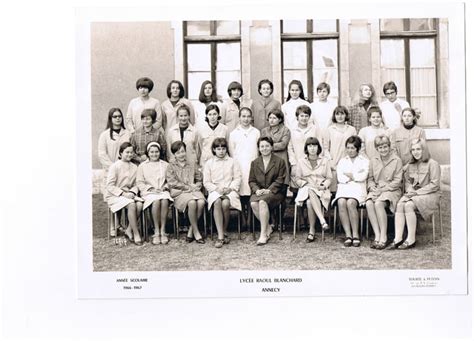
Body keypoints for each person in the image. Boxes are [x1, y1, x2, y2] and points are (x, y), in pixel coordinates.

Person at [388, 139, 441, 250]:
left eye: (418, 149)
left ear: (424, 150)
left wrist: (416, 193)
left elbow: (434, 185)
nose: (415, 152)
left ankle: (411, 239)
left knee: (408, 205)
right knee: (400, 204)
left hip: (430, 194)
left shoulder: (433, 164)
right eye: (413, 150)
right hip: (414, 193)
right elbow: (407, 180)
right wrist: (410, 188)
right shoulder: (410, 165)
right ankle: (398, 239)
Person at [365, 135, 403, 250]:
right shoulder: (373, 160)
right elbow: (370, 179)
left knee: (378, 203)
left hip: (392, 190)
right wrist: (372, 188)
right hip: (377, 189)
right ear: (377, 148)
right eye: (380, 147)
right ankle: (377, 234)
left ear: (389, 146)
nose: (383, 149)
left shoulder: (397, 160)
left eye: (385, 147)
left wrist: (383, 189)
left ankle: (384, 236)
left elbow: (397, 181)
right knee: (369, 203)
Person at [203, 138, 242, 248]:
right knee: (217, 202)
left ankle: (224, 231)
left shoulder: (232, 161)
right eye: (218, 149)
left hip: (229, 190)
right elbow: (206, 181)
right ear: (214, 150)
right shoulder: (209, 163)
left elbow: (237, 178)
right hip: (215, 191)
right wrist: (216, 188)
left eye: (223, 148)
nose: (221, 151)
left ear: (226, 149)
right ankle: (220, 236)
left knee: (225, 204)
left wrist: (230, 188)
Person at [249, 137, 287, 245]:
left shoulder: (280, 161)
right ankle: (269, 226)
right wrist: (256, 190)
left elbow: (280, 179)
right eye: (262, 146)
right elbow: (251, 181)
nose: (264, 148)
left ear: (271, 147)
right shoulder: (255, 163)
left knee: (262, 202)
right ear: (259, 148)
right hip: (260, 192)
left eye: (267, 146)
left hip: (275, 192)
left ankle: (263, 235)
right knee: (253, 203)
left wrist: (269, 190)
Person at [332, 135, 370, 247]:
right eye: (348, 147)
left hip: (358, 189)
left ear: (358, 149)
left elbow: (363, 176)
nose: (350, 150)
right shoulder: (342, 161)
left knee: (351, 203)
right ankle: (348, 235)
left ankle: (355, 234)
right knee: (341, 202)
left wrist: (352, 176)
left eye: (353, 148)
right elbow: (340, 178)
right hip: (344, 188)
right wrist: (354, 176)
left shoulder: (364, 161)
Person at [166, 141, 206, 244]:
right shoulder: (171, 166)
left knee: (201, 202)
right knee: (192, 203)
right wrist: (186, 187)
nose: (181, 154)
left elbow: (199, 177)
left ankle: (191, 230)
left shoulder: (192, 163)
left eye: (183, 151)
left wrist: (198, 184)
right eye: (178, 153)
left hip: (193, 190)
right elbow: (171, 182)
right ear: (174, 154)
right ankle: (196, 233)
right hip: (180, 192)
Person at [105, 142, 144, 245]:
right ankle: (136, 234)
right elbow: (110, 185)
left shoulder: (135, 167)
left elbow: (136, 184)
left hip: (129, 194)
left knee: (139, 205)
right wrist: (123, 193)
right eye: (127, 152)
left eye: (131, 152)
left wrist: (132, 192)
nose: (129, 155)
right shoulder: (115, 166)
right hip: (115, 195)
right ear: (121, 153)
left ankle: (128, 230)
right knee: (131, 204)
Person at [295, 137, 332, 242]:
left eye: (314, 146)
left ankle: (312, 231)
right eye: (310, 146)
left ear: (318, 148)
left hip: (321, 189)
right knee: (310, 189)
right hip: (306, 189)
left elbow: (329, 178)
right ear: (306, 148)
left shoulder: (325, 161)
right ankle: (322, 220)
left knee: (310, 203)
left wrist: (324, 185)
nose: (312, 148)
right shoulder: (301, 161)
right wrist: (305, 183)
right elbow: (297, 179)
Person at [228, 107, 261, 227]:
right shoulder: (233, 133)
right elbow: (232, 152)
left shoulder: (256, 132)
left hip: (253, 165)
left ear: (251, 118)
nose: (246, 119)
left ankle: (252, 219)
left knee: (251, 190)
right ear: (239, 118)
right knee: (241, 192)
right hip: (239, 166)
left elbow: (258, 151)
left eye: (248, 116)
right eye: (243, 116)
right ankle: (242, 218)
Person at [136, 142, 172, 245]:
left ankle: (163, 230)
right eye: (152, 152)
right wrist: (151, 189)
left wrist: (165, 187)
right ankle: (156, 230)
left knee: (164, 200)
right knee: (156, 201)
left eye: (156, 152)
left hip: (163, 190)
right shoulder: (142, 166)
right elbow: (139, 182)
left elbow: (170, 180)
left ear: (160, 152)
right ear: (148, 153)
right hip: (149, 192)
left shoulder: (165, 165)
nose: (154, 154)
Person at [288, 105, 325, 198]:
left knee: (311, 186)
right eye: (301, 116)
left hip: (312, 161)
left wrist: (318, 160)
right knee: (298, 188)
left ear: (309, 117)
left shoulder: (315, 129)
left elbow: (320, 144)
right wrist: (293, 163)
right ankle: (298, 209)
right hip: (297, 161)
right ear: (297, 117)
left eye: (306, 116)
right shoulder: (292, 130)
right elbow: (290, 147)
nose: (304, 118)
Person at [98, 108, 131, 201]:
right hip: (110, 171)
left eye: (119, 116)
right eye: (115, 116)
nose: (118, 118)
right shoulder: (104, 135)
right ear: (110, 118)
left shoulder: (128, 134)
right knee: (113, 200)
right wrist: (113, 167)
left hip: (125, 171)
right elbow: (102, 154)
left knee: (126, 199)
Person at [325, 106, 357, 191]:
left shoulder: (352, 129)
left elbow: (355, 146)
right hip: (334, 162)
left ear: (346, 115)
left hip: (348, 161)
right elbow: (325, 148)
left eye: (342, 114)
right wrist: (329, 160)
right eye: (337, 114)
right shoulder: (330, 129)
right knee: (333, 188)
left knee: (346, 187)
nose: (340, 116)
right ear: (334, 116)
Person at [260, 109, 290, 185]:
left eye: (274, 118)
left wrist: (268, 146)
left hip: (281, 157)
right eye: (270, 118)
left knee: (281, 181)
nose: (271, 120)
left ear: (280, 119)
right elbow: (261, 144)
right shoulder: (264, 131)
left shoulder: (285, 130)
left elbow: (283, 145)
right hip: (268, 158)